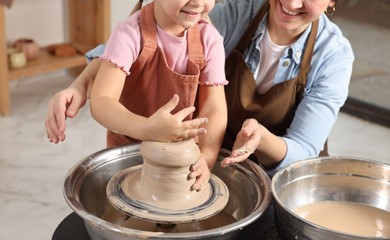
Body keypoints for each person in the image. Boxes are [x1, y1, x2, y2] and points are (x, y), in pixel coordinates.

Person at [46, 0, 354, 177]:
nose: (291, 3)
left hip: (270, 171)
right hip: (204, 149)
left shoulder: (334, 56)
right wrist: (82, 84)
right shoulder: (234, 14)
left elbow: (303, 147)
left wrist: (258, 141)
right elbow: (129, 48)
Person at [47, 0, 229, 191]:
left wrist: (207, 157)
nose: (198, 2)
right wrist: (147, 128)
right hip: (129, 153)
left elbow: (213, 108)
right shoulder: (129, 33)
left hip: (183, 159)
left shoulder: (209, 39)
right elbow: (102, 101)